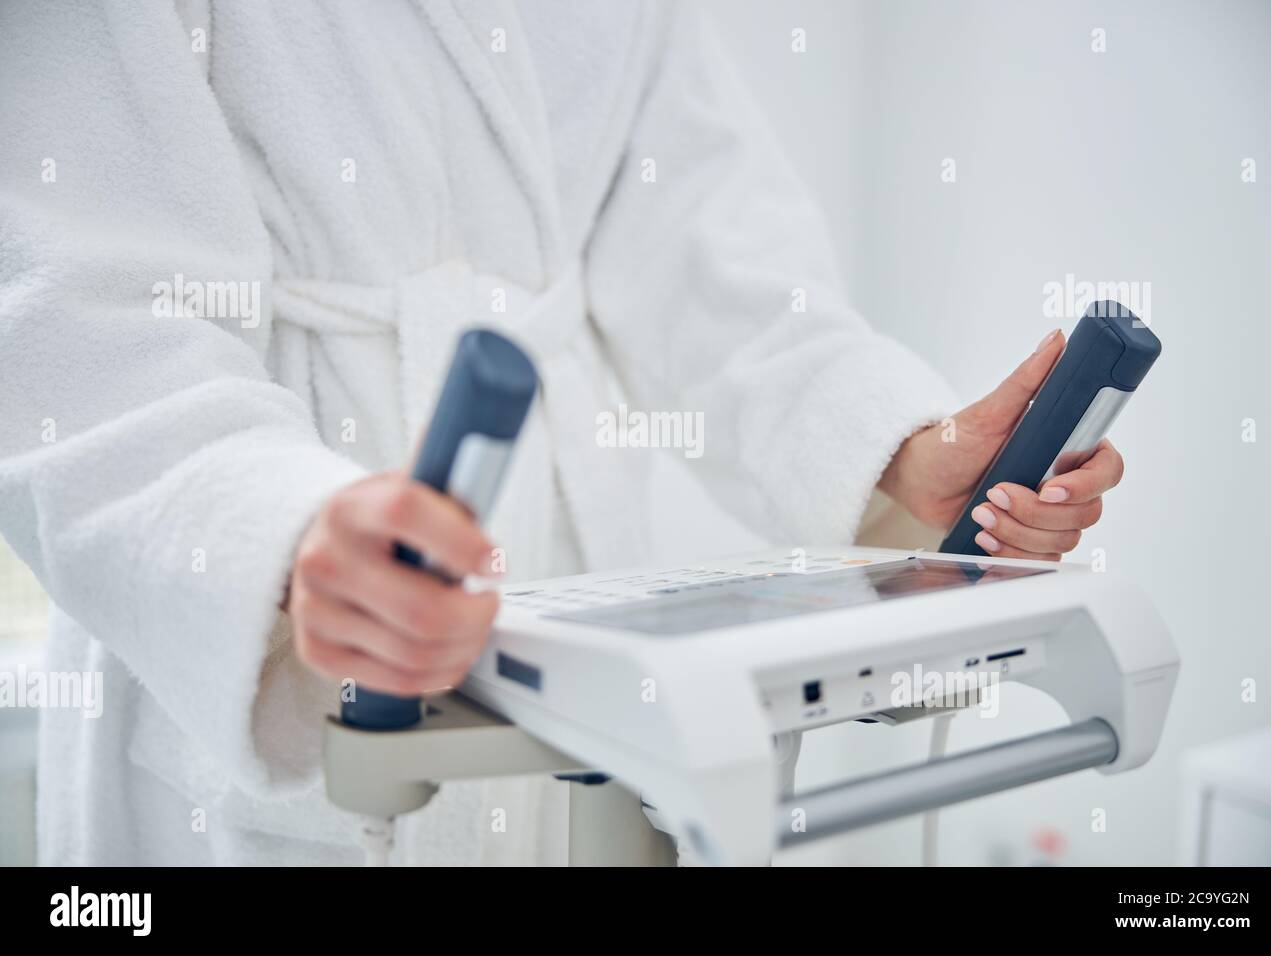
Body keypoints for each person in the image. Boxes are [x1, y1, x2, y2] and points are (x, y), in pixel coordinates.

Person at [0, 1, 1121, 865]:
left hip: (564, 595)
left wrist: (895, 450)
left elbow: (711, 252)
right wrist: (277, 540)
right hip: (264, 608)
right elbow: (81, 319)